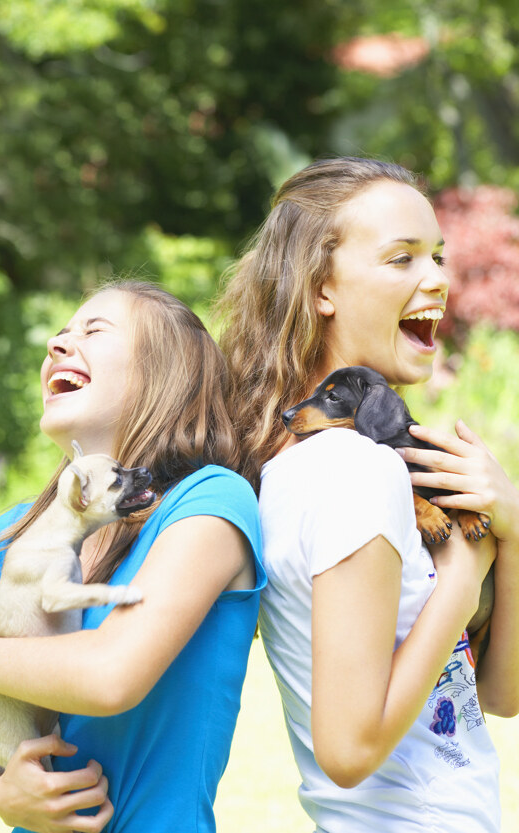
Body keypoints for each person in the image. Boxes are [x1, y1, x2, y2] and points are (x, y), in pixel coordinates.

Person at [216, 157, 519, 832]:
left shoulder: (319, 462)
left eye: (437, 256)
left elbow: (499, 694)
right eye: (401, 258)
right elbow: (348, 750)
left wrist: (513, 530)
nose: (437, 278)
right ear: (321, 288)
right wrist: (465, 578)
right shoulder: (352, 470)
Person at [0, 280, 265, 833]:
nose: (57, 344)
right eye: (62, 333)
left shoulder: (210, 501)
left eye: (93, 331)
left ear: (166, 374)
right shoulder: (8, 540)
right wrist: (0, 793)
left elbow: (112, 676)